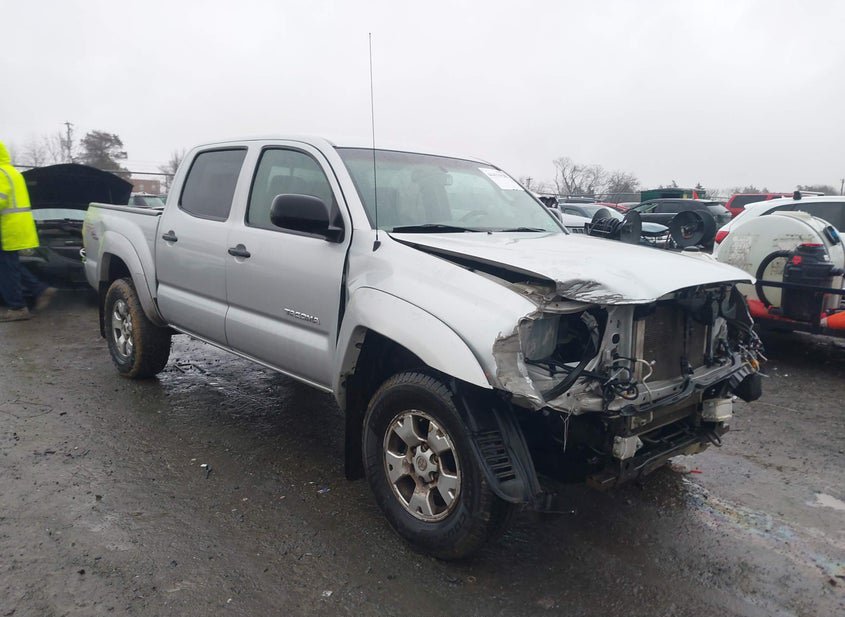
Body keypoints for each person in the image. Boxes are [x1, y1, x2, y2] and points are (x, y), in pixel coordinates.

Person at [0, 140, 56, 321]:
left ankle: (18, 307)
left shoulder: (1, 173)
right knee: (10, 266)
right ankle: (40, 289)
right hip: (17, 228)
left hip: (8, 229)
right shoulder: (13, 172)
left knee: (7, 268)